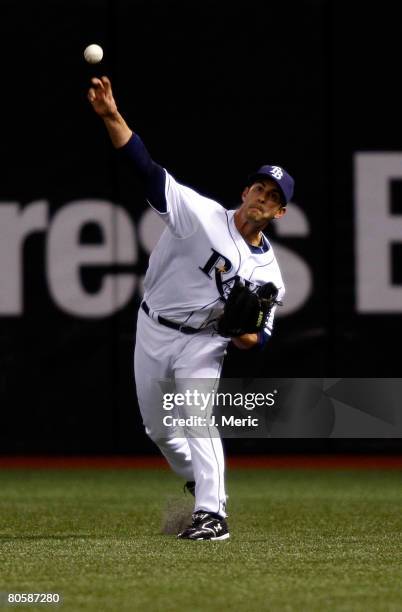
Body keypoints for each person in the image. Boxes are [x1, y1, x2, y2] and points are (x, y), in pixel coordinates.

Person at [87, 76, 294, 541]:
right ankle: (202, 481)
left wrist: (242, 334)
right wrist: (111, 117)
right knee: (159, 431)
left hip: (203, 341)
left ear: (279, 214)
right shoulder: (197, 215)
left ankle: (211, 513)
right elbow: (144, 167)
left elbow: (260, 339)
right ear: (246, 191)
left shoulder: (271, 277)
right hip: (153, 326)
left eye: (275, 198)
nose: (264, 198)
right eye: (261, 188)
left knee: (195, 416)